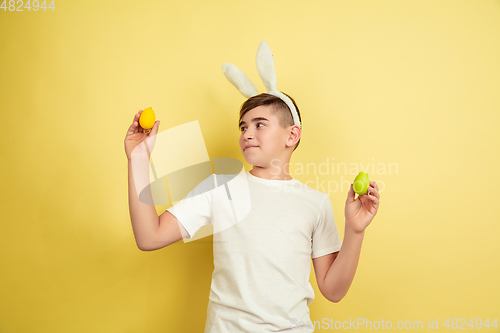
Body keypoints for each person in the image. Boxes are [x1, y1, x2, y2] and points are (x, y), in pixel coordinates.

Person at [124, 91, 380, 332]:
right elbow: (149, 236)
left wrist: (355, 231)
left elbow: (333, 291)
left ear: (292, 135)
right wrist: (138, 160)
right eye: (243, 127)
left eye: (259, 124)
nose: (247, 134)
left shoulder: (316, 203)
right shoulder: (219, 188)